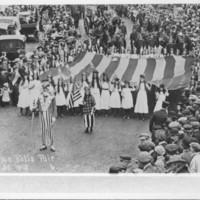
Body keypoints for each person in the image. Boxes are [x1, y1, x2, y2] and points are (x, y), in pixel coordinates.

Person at [37, 82, 57, 152]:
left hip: (50, 114)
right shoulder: (40, 96)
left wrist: (54, 116)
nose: (46, 90)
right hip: (42, 114)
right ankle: (44, 144)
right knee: (43, 129)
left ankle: (52, 145)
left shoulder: (52, 97)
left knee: (50, 129)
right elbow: (37, 105)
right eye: (44, 88)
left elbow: (54, 107)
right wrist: (34, 109)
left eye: (47, 88)